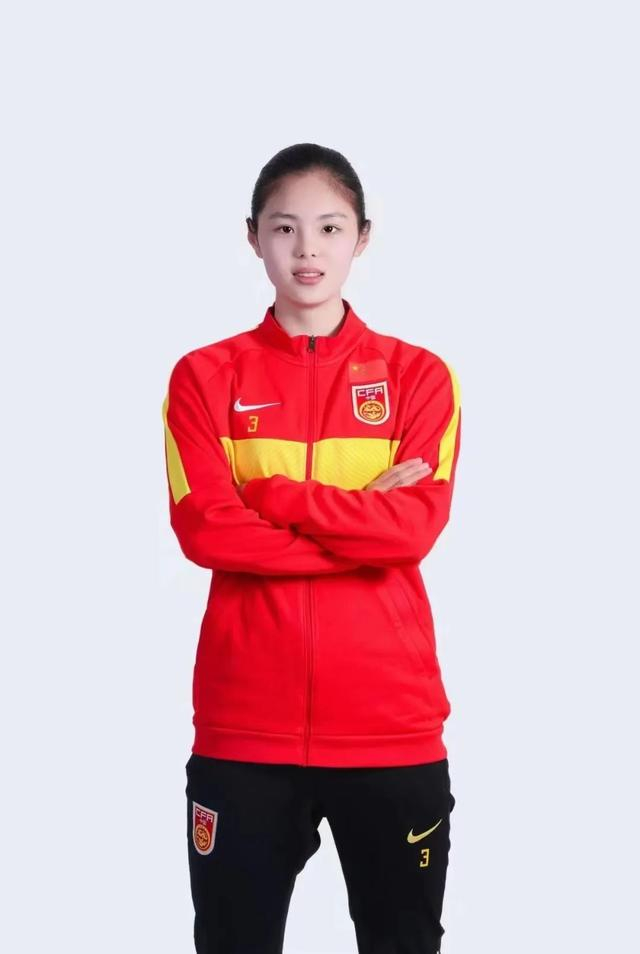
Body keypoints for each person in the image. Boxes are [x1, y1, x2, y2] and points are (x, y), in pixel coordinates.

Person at [161, 142, 462, 954]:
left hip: (390, 727)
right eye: (284, 227)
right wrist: (363, 530)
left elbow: (413, 530)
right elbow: (206, 530)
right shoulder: (203, 377)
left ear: (361, 237)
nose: (307, 249)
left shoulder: (420, 377)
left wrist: (276, 495)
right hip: (243, 730)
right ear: (253, 236)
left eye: (329, 227)